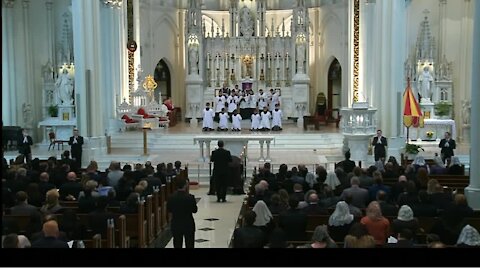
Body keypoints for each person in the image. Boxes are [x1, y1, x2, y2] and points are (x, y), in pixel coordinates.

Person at [167, 177, 198, 248]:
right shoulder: (190, 197)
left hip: (176, 223)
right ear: (185, 185)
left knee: (177, 244)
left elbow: (169, 210)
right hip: (188, 224)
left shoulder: (171, 197)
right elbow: (195, 210)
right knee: (190, 244)